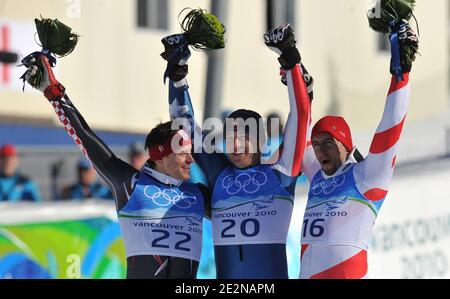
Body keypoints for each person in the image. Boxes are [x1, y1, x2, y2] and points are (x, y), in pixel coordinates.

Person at [21, 53, 210, 279]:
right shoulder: (131, 184)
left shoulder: (197, 194)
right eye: (182, 154)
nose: (191, 159)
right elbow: (87, 139)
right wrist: (54, 94)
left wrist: (179, 76)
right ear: (160, 157)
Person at [163, 24, 312, 278]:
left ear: (260, 141)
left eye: (242, 138)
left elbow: (301, 115)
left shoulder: (281, 173)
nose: (234, 145)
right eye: (230, 137)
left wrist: (289, 57)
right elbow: (184, 127)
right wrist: (178, 74)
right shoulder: (220, 172)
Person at [298, 21, 419, 279]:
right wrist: (295, 75)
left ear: (346, 145)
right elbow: (301, 128)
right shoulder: (317, 175)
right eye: (317, 145)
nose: (320, 152)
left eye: (328, 143)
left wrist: (401, 75)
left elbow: (390, 128)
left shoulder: (367, 176)